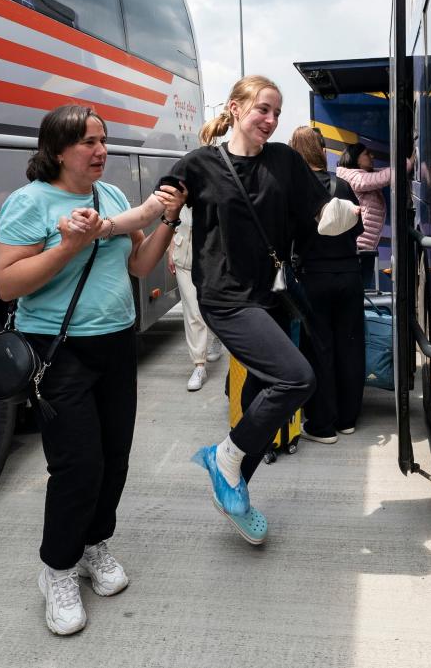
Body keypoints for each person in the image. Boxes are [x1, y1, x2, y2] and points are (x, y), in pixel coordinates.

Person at [76, 75, 359, 546]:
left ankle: (235, 490)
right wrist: (102, 227)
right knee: (297, 378)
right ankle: (223, 461)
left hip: (269, 296)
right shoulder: (200, 164)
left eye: (276, 112)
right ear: (235, 108)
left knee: (258, 403)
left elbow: (322, 212)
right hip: (225, 297)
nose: (270, 120)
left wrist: (347, 214)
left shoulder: (286, 161)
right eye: (262, 109)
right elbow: (150, 211)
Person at [0, 104, 186, 636]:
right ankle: (57, 568)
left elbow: (139, 265)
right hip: (60, 352)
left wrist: (167, 219)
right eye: (88, 143)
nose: (101, 151)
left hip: (118, 344)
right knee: (77, 466)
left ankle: (94, 546)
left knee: (115, 459)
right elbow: (8, 285)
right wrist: (69, 247)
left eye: (103, 141)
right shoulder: (29, 203)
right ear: (57, 151)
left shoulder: (113, 197)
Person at [288, 125, 365, 442]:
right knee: (349, 345)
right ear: (321, 151)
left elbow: (288, 236)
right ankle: (348, 419)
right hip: (348, 275)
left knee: (319, 349)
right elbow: (356, 229)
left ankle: (322, 425)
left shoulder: (295, 189)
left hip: (313, 278)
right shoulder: (343, 186)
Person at [336, 143, 413, 289]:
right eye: (366, 154)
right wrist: (410, 163)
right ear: (356, 159)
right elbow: (384, 176)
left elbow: (387, 171)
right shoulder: (353, 177)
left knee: (361, 291)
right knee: (357, 291)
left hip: (364, 248)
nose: (372, 156)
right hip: (358, 248)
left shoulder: (361, 174)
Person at [167, 205, 224, 391]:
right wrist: (170, 249)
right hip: (182, 255)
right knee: (193, 310)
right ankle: (199, 365)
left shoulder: (213, 184)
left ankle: (217, 337)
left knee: (210, 306)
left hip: (210, 256)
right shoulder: (180, 187)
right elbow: (171, 221)